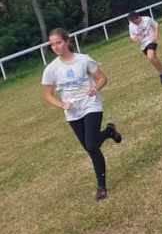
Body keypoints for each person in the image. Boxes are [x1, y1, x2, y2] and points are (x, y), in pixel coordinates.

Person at [41, 28, 122, 201]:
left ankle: (101, 187)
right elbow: (48, 95)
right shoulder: (51, 69)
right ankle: (109, 132)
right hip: (72, 113)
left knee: (91, 145)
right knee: (90, 149)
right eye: (52, 44)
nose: (56, 47)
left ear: (67, 41)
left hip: (91, 105)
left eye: (58, 42)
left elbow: (102, 78)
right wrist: (62, 104)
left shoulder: (83, 60)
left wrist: (95, 88)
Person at [128, 12, 162, 84]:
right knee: (153, 59)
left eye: (135, 22)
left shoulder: (147, 19)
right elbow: (132, 37)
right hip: (143, 45)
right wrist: (136, 39)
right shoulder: (131, 25)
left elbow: (156, 25)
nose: (135, 24)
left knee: (151, 57)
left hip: (151, 40)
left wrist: (156, 35)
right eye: (133, 22)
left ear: (138, 17)